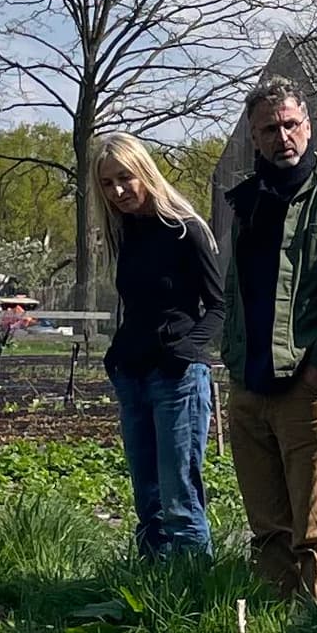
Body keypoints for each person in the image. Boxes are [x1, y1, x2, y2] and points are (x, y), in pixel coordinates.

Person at [216, 76, 317, 602]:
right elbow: (237, 288)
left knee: (314, 528)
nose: (282, 136)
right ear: (253, 136)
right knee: (266, 526)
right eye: (269, 128)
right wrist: (234, 359)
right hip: (249, 382)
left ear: (307, 127)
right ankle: (268, 625)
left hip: (305, 384)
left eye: (291, 124)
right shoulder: (246, 199)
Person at [97, 133, 226, 560]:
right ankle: (152, 589)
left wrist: (185, 352)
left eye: (125, 177)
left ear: (145, 172)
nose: (117, 190)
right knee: (147, 499)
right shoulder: (126, 233)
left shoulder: (185, 230)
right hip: (132, 376)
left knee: (179, 498)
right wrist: (116, 355)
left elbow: (219, 307)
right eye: (107, 183)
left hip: (177, 379)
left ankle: (191, 595)